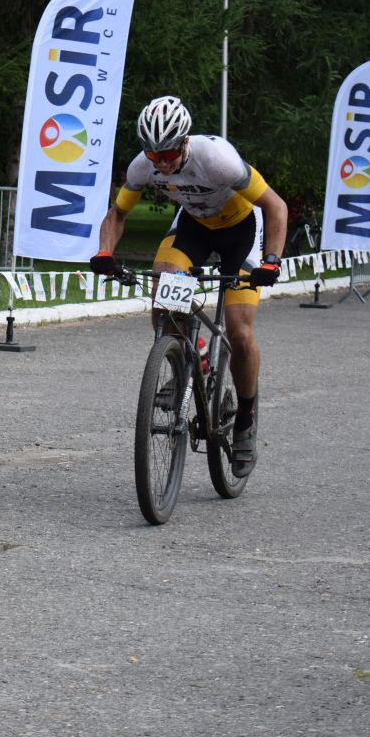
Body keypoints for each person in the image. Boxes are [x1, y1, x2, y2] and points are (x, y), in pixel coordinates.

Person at [90, 96, 288, 478]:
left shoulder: (217, 159)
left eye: (167, 154)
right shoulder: (143, 166)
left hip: (242, 231)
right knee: (164, 292)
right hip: (194, 228)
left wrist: (272, 261)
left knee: (240, 332)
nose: (161, 164)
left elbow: (276, 206)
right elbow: (118, 214)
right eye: (154, 155)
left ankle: (245, 420)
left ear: (184, 142)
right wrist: (104, 252)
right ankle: (189, 354)